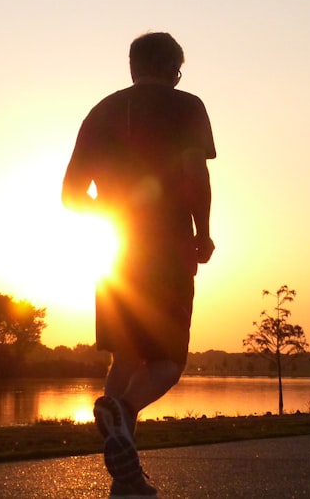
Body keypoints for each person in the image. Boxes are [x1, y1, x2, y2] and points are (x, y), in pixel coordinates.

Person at [62, 32, 216, 498]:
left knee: (126, 356)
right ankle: (122, 411)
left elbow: (70, 194)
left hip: (116, 252)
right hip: (166, 248)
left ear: (132, 67)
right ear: (174, 70)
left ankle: (126, 484)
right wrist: (202, 232)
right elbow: (196, 175)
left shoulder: (101, 112)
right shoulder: (186, 106)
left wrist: (113, 211)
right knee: (168, 361)